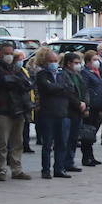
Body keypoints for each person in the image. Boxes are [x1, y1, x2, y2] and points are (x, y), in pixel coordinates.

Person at [0, 41, 32, 181]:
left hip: (18, 109)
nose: (9, 56)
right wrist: (15, 81)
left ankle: (17, 169)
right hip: (3, 109)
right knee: (2, 143)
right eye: (6, 53)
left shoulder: (17, 68)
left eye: (11, 53)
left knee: (18, 142)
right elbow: (1, 82)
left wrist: (15, 81)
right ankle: (1, 169)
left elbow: (27, 84)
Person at [33, 47, 71, 179]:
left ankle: (59, 168)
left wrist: (57, 88)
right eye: (51, 61)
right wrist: (59, 88)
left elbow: (68, 88)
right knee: (47, 143)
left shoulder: (62, 74)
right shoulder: (42, 74)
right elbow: (46, 88)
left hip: (62, 112)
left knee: (61, 143)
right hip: (48, 113)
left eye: (56, 60)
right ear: (45, 62)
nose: (54, 63)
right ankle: (46, 170)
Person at [77, 50, 102, 168]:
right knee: (87, 133)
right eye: (94, 60)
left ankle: (91, 156)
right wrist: (87, 107)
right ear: (88, 61)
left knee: (93, 132)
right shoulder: (85, 73)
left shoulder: (96, 72)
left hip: (98, 107)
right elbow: (86, 90)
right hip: (91, 107)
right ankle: (86, 157)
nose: (97, 62)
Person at [61, 52, 86, 172]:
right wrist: (78, 103)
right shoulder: (64, 75)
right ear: (68, 63)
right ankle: (63, 163)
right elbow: (67, 92)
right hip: (68, 110)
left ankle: (70, 161)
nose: (78, 65)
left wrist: (85, 103)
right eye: (76, 63)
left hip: (78, 110)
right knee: (66, 138)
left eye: (79, 63)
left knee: (74, 138)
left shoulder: (78, 75)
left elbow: (84, 90)